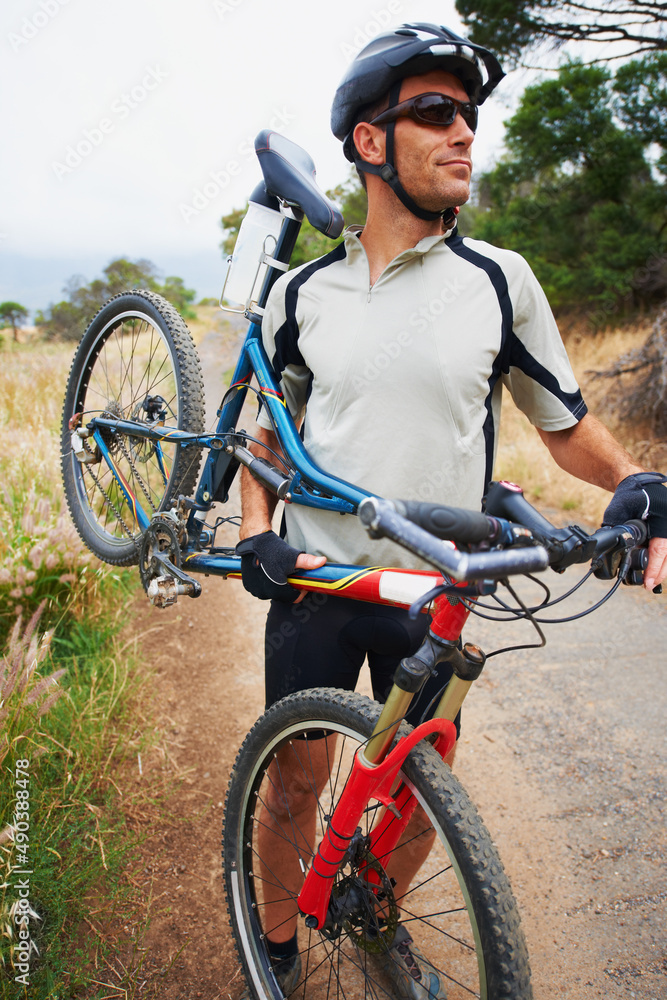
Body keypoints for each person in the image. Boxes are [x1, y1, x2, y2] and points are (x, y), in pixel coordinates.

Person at [236, 22, 667, 999]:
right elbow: (267, 434)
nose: (463, 132)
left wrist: (637, 482)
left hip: (433, 583)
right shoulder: (302, 293)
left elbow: (563, 427)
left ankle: (371, 909)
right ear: (369, 143)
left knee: (421, 795)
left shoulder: (498, 281)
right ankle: (274, 931)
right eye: (433, 112)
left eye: (468, 114)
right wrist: (255, 533)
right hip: (314, 577)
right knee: (296, 780)